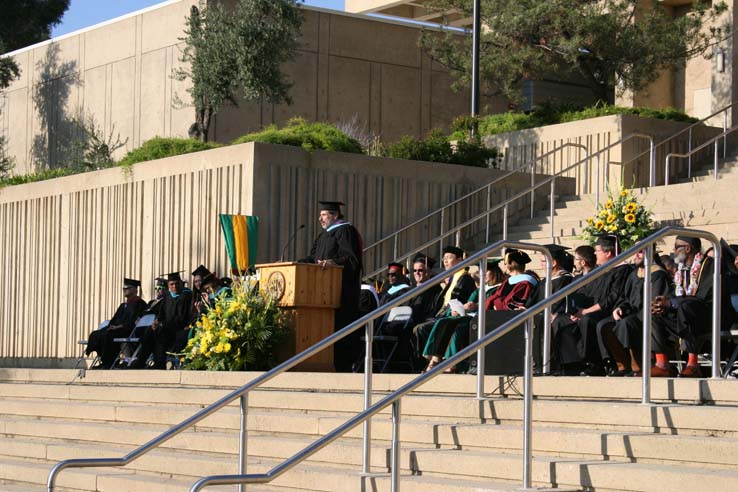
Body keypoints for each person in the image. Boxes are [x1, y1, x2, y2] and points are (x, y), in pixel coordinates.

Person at [300, 200, 363, 371]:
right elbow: (312, 260)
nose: (320, 219)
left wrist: (332, 262)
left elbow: (351, 260)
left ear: (335, 215)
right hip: (322, 296)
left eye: (323, 215)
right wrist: (294, 263)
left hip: (341, 294)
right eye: (320, 215)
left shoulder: (345, 231)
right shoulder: (323, 236)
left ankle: (342, 366)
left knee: (341, 334)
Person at [650, 236, 726, 378]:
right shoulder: (682, 270)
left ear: (688, 248)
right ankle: (662, 364)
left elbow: (703, 296)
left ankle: (693, 364)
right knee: (655, 310)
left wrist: (672, 303)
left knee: (687, 307)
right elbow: (677, 295)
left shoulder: (710, 265)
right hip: (685, 315)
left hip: (708, 317)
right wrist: (665, 302)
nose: (673, 250)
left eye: (676, 247)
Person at [422, 258, 506, 373]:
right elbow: (468, 303)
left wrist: (476, 306)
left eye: (486, 271)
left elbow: (494, 304)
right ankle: (435, 359)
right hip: (467, 315)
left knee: (459, 327)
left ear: (495, 272)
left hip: (483, 318)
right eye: (481, 272)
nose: (483, 275)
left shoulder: (500, 289)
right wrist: (457, 310)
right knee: (443, 322)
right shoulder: (479, 290)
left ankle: (453, 362)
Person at [596, 249, 671, 376]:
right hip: (631, 312)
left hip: (648, 316)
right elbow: (625, 298)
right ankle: (622, 365)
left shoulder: (657, 274)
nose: (636, 255)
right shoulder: (634, 274)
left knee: (627, 323)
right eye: (635, 252)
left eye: (640, 252)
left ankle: (638, 366)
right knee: (604, 325)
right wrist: (620, 308)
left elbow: (655, 302)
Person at [568, 235, 632, 375]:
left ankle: (596, 363)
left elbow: (612, 298)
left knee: (588, 320)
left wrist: (585, 312)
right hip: (597, 310)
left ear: (608, 253)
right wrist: (578, 311)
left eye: (597, 250)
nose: (595, 253)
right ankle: (573, 363)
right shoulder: (602, 270)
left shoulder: (622, 270)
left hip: (612, 311)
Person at [412, 246, 476, 365]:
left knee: (421, 328)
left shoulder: (464, 278)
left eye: (449, 257)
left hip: (454, 315)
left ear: (460, 260)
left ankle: (426, 363)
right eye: (444, 258)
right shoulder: (453, 279)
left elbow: (457, 302)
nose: (445, 261)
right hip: (443, 314)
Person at [526, 244, 575, 373]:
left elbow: (561, 303)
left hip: (557, 316)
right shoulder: (544, 281)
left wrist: (552, 313)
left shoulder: (565, 279)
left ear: (553, 263)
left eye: (543, 261)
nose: (541, 265)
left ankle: (549, 365)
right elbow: (532, 301)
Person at [130, 272, 194, 369]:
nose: (175, 286)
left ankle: (159, 363)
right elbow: (161, 315)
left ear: (181, 283)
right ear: (168, 285)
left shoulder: (186, 296)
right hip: (166, 326)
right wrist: (156, 322)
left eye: (177, 283)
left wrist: (162, 324)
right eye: (171, 284)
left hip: (179, 327)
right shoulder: (167, 297)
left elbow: (183, 317)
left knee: (160, 330)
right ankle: (141, 361)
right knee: (150, 330)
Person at [85, 278, 148, 369]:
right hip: (116, 329)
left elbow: (134, 321)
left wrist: (119, 327)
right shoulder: (123, 305)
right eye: (124, 289)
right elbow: (114, 319)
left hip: (127, 330)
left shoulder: (140, 303)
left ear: (135, 290)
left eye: (128, 288)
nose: (125, 290)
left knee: (108, 335)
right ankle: (104, 360)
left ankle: (109, 362)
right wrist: (111, 326)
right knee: (96, 335)